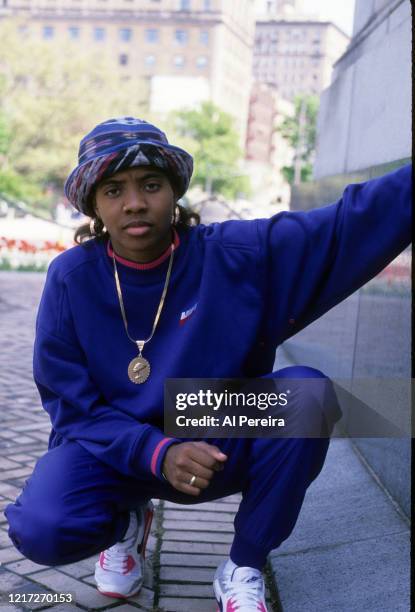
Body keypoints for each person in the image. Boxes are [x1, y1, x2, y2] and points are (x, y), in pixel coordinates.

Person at [5, 117, 411, 611]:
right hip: (113, 439)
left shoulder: (237, 254)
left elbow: (349, 222)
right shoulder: (71, 278)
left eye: (151, 185)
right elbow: (73, 407)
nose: (134, 202)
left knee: (307, 394)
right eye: (114, 190)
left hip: (207, 418)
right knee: (42, 527)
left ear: (176, 191)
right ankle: (126, 522)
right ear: (94, 204)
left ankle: (242, 565)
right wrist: (157, 453)